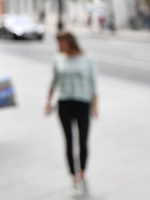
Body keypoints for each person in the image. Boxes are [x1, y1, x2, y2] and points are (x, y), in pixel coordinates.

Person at [45, 31, 98, 198]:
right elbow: (54, 81)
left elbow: (93, 83)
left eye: (63, 43)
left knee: (82, 141)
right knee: (69, 141)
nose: (61, 46)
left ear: (71, 42)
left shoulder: (88, 59)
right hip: (65, 104)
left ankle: (82, 174)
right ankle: (73, 179)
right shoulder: (58, 59)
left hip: (83, 104)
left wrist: (95, 106)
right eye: (59, 43)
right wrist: (48, 102)